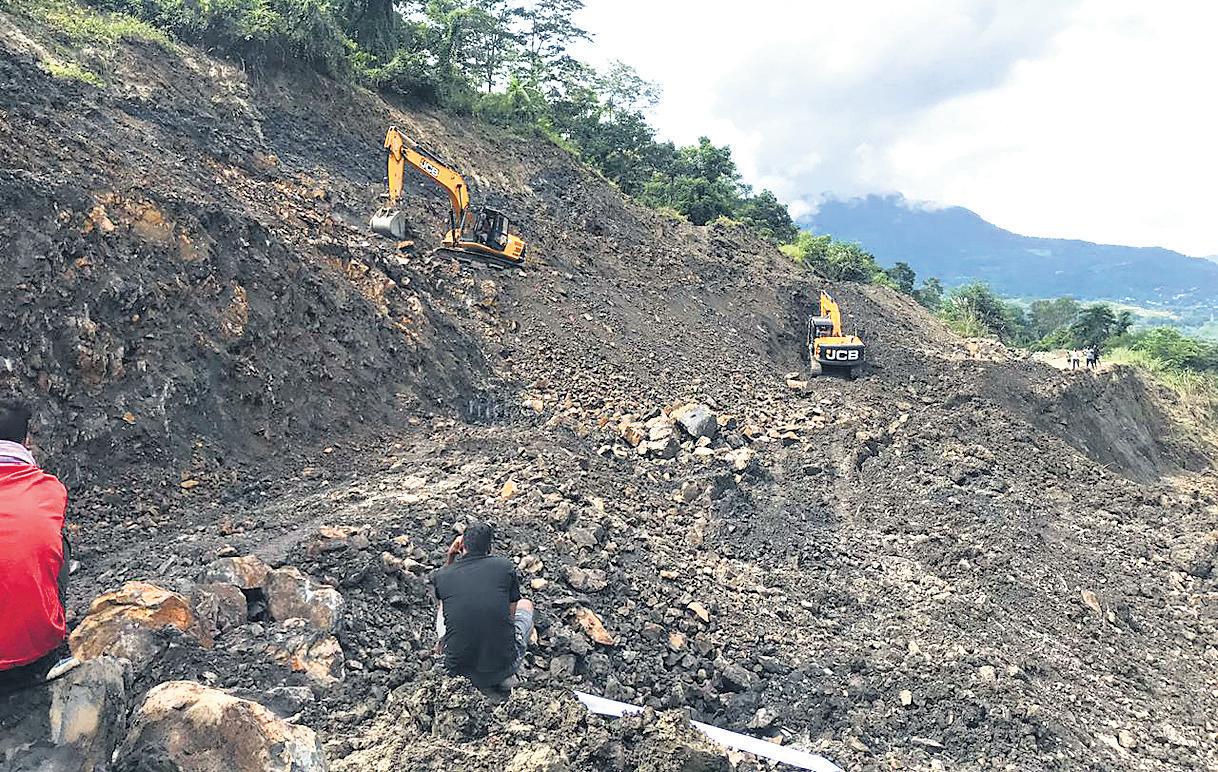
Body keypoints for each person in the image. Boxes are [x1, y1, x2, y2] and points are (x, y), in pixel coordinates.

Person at [0, 399, 70, 689]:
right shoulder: (50, 489)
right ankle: (51, 632)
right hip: (32, 656)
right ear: (26, 441)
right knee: (59, 542)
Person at [430, 521, 534, 689]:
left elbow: (445, 599)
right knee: (526, 605)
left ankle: (442, 646)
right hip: (502, 667)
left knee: (446, 603)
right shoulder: (504, 567)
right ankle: (508, 675)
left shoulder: (442, 575)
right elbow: (510, 616)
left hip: (457, 671)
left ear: (461, 545)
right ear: (489, 547)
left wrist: (451, 556)